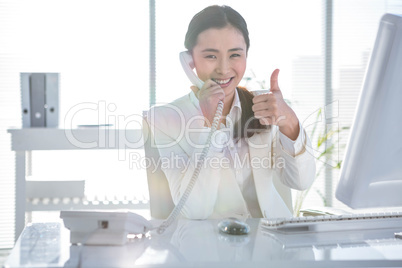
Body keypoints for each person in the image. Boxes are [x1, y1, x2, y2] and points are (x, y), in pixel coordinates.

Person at [147, 5, 316, 220]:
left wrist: (289, 122)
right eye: (211, 56)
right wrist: (211, 127)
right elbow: (195, 210)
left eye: (235, 54)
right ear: (189, 62)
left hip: (269, 243)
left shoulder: (263, 106)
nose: (224, 69)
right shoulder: (165, 118)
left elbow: (300, 181)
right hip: (208, 246)